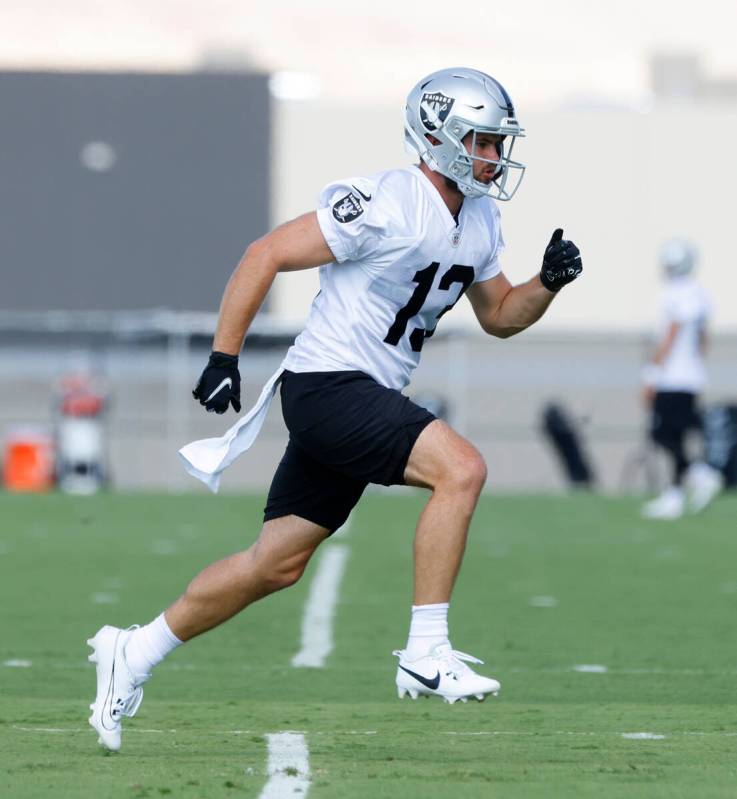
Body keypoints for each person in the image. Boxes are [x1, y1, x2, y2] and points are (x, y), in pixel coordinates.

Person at [87, 67, 583, 751]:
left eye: (497, 143)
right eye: (480, 142)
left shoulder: (480, 218)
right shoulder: (384, 198)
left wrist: (545, 283)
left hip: (362, 393)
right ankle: (425, 648)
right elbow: (266, 253)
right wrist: (223, 355)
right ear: (437, 136)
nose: (493, 157)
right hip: (328, 385)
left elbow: (499, 314)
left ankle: (132, 651)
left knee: (275, 563)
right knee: (461, 469)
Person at [640, 238, 722, 519]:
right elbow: (703, 340)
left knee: (661, 433)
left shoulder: (676, 293)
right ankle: (674, 496)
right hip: (692, 375)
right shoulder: (700, 293)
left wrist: (652, 373)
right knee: (677, 436)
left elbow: (670, 336)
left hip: (672, 377)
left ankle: (701, 474)